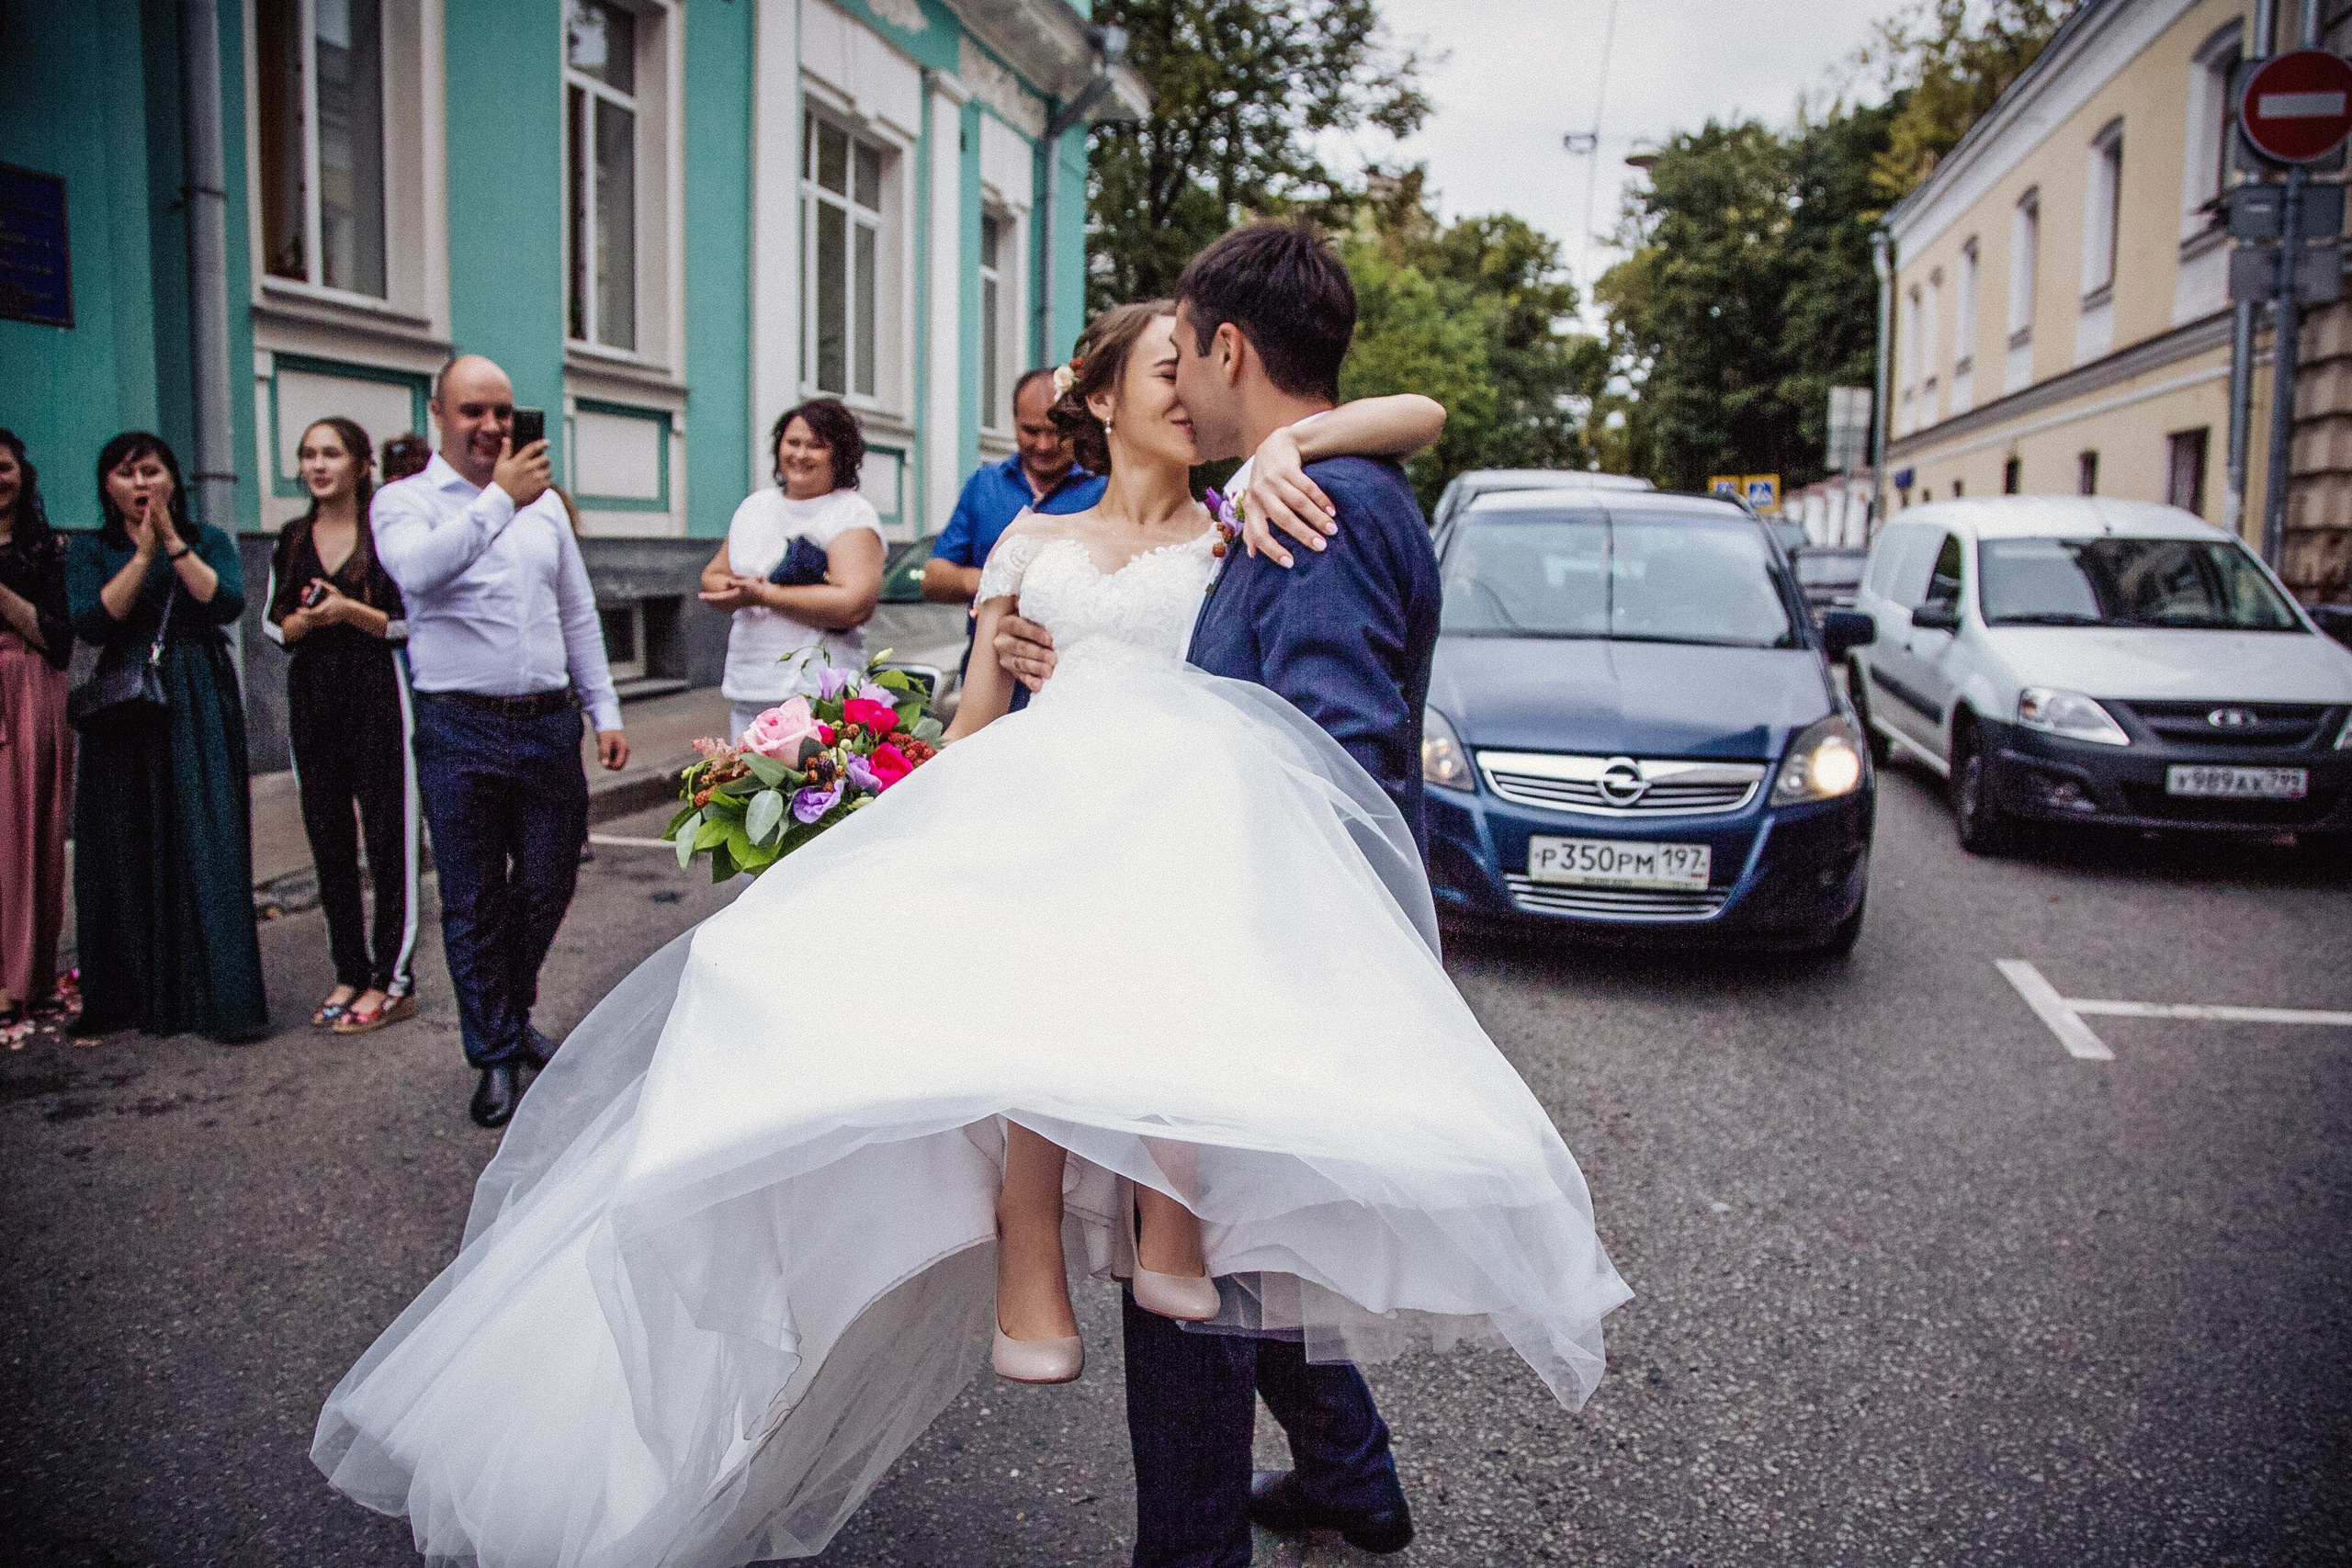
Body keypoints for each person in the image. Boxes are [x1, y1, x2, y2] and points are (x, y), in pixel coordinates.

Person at [312, 277, 1628, 1568]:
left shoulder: (1249, 516)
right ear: (1096, 403)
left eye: (1195, 364)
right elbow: (976, 742)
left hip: (1197, 909)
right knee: (1183, 1201)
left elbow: (1400, 437)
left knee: (1212, 1225)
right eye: (1156, 372)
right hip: (1070, 878)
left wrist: (1300, 431)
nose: (1186, 390)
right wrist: (848, 787)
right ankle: (1299, 1445)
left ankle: (1236, 1515)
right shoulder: (1040, 551)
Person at [370, 354, 629, 1128]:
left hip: (548, 723)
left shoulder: (544, 506)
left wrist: (605, 708)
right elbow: (417, 574)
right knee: (474, 898)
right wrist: (496, 502)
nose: (489, 426)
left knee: (550, 880)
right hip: (459, 726)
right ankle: (493, 1054)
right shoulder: (403, 501)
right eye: (472, 411)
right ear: (438, 413)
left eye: (502, 413)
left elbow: (576, 614)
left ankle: (507, 1015)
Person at [66, 433, 268, 1043]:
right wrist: (140, 554)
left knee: (205, 836)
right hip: (127, 700)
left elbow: (226, 601)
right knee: (127, 840)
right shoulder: (91, 548)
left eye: (151, 471)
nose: (140, 485)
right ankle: (133, 993)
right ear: (108, 486)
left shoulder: (207, 539)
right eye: (125, 475)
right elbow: (94, 620)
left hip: (195, 692)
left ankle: (217, 998)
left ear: (173, 479)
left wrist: (173, 544)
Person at [265, 418, 419, 1035]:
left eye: (331, 453)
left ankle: (394, 978)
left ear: (360, 465)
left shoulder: (384, 533)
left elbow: (411, 622)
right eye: (308, 454)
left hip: (377, 691)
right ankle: (350, 969)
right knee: (328, 839)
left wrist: (347, 610)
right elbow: (274, 626)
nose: (317, 464)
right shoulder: (291, 536)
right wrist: (302, 622)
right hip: (313, 696)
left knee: (389, 837)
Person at [698, 399, 887, 739]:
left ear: (840, 454)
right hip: (750, 690)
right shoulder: (754, 507)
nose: (800, 454)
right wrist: (730, 592)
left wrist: (765, 594)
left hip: (819, 699)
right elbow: (713, 575)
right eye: (793, 442)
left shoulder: (851, 514)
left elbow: (853, 604)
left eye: (816, 445)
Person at [923, 368, 1106, 711]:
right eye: (1030, 430)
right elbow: (934, 578)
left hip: (1069, 683)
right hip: (987, 675)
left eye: (1055, 432)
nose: (1043, 445)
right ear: (1013, 421)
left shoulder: (1104, 488)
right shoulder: (985, 483)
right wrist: (997, 584)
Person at [0, 429, 73, 1043]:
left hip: (28, 689)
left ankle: (25, 977)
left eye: (3, 467)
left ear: (22, 475)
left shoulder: (46, 550)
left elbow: (57, 637)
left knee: (27, 834)